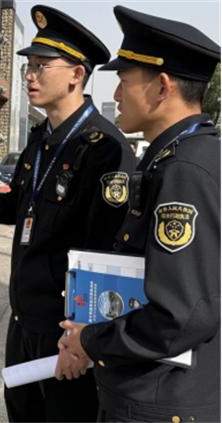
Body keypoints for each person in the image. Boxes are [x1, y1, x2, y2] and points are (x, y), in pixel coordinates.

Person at [0, 5, 135, 422]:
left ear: (76, 74)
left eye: (42, 65)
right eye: (29, 65)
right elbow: (19, 206)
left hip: (66, 330)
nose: (30, 76)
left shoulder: (104, 149)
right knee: (22, 413)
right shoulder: (40, 142)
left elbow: (109, 256)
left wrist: (86, 339)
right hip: (24, 320)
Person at [57, 6, 220, 422]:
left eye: (124, 81)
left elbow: (180, 316)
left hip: (159, 400)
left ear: (162, 87)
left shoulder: (184, 170)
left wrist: (91, 340)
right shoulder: (176, 157)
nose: (115, 95)